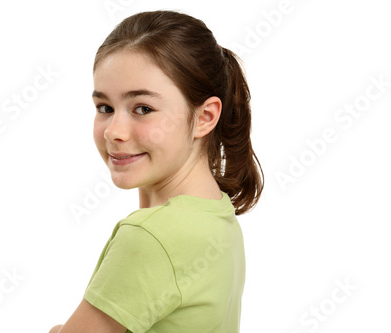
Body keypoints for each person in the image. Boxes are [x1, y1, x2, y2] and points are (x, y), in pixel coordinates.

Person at [50, 9, 264, 333]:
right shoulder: (215, 211)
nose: (113, 131)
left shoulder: (151, 237)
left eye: (143, 109)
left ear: (205, 117)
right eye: (105, 108)